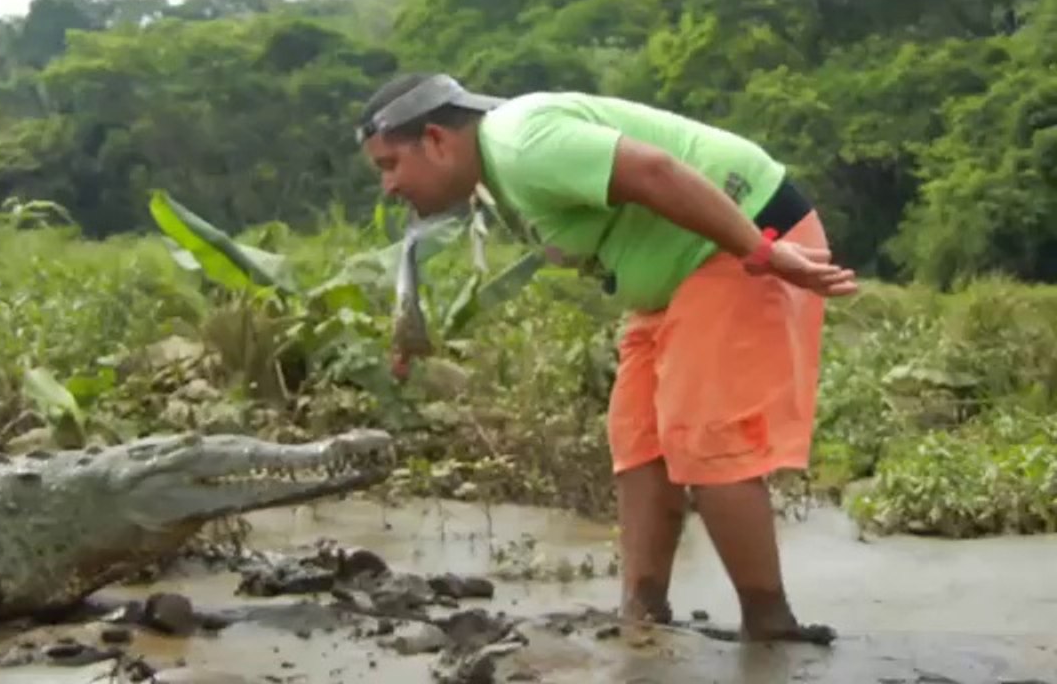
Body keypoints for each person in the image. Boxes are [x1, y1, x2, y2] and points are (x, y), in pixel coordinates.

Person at [354, 72, 859, 645]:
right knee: (638, 438)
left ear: (439, 140)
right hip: (676, 275)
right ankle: (642, 613)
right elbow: (418, 254)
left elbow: (655, 172)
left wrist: (763, 251)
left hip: (744, 241)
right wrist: (407, 335)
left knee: (705, 433)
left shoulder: (522, 145)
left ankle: (770, 624)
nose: (389, 186)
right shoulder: (491, 174)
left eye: (389, 165)